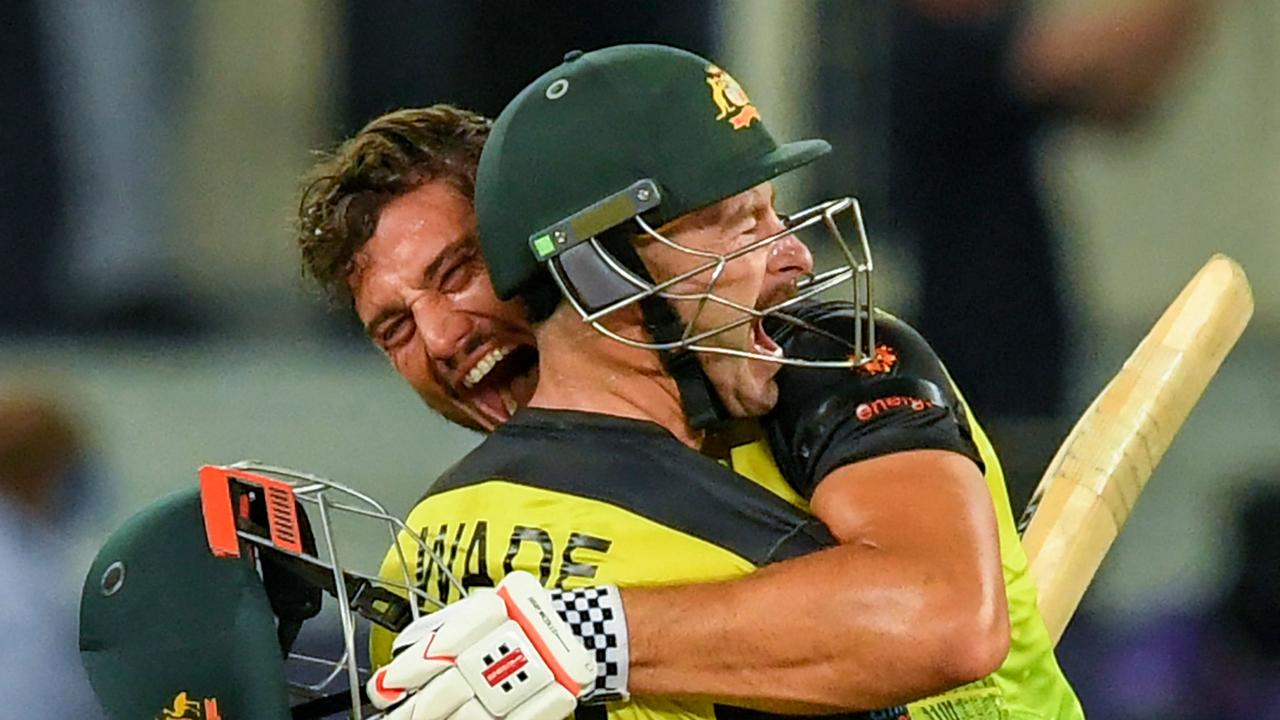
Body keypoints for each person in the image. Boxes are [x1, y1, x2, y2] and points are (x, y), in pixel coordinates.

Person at [297, 45, 1082, 719]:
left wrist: (590, 634)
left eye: (463, 270)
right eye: (394, 328)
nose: (440, 338)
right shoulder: (444, 550)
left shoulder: (818, 361)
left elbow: (945, 616)